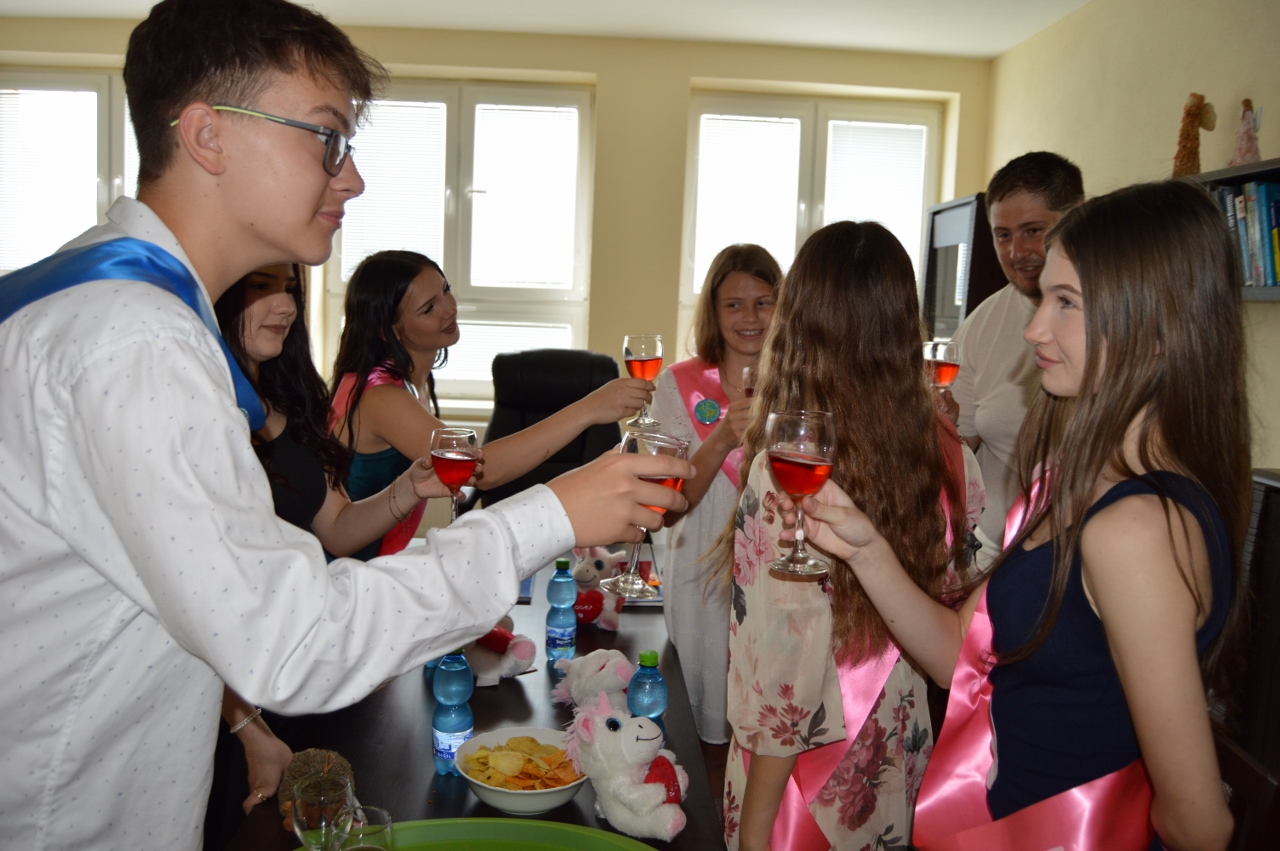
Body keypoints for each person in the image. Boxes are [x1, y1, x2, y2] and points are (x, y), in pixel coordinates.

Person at [0, 2, 690, 848]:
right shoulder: (132, 341)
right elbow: (291, 640)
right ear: (208, 136)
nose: (353, 178)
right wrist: (552, 513)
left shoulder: (110, 309)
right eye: (326, 138)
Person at [794, 181, 1246, 850]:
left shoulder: (1135, 529)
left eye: (1067, 303)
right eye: (1043, 300)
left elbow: (1199, 822)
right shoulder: (1073, 482)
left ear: (1156, 327)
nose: (1035, 329)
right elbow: (961, 659)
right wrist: (867, 549)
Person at [721, 222, 980, 851]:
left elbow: (785, 674)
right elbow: (961, 615)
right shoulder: (953, 454)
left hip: (801, 784)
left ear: (798, 323)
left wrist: (756, 832)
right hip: (894, 755)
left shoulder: (788, 472)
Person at [328, 249, 653, 560]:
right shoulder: (381, 396)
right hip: (350, 572)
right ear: (388, 332)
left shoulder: (406, 381)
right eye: (428, 308)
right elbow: (483, 470)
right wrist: (589, 409)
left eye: (446, 290)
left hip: (379, 562)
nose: (449, 308)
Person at [648, 243, 781, 746]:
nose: (749, 317)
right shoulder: (676, 384)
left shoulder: (802, 381)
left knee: (771, 715)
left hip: (777, 566)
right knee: (705, 731)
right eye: (733, 305)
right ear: (713, 310)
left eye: (763, 303)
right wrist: (723, 437)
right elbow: (666, 505)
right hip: (702, 566)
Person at [949, 151, 1084, 571]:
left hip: (1074, 557)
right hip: (985, 556)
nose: (1017, 251)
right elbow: (959, 447)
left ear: (1076, 218)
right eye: (1003, 235)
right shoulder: (980, 324)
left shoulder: (1114, 322)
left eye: (1033, 231)